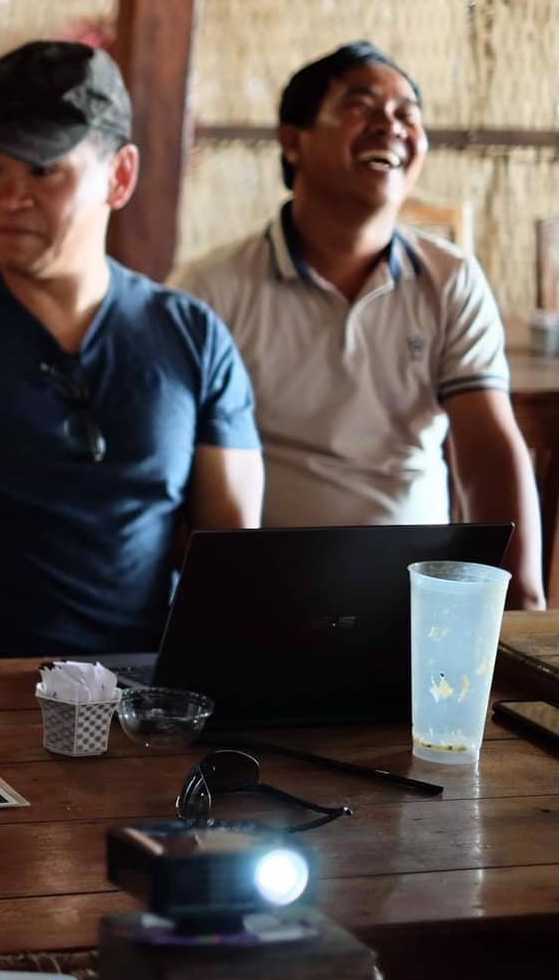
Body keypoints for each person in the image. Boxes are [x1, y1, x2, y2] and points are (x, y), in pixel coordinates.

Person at [0, 41, 263, 658]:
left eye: (43, 170)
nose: (11, 198)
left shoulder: (191, 339)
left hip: (142, 697)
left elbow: (233, 559)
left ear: (120, 176)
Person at [175, 41, 545, 608]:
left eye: (406, 113)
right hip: (264, 595)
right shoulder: (211, 289)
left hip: (416, 596)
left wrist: (520, 601)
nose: (390, 126)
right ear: (292, 141)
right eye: (361, 106)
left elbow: (487, 450)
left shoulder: (449, 280)